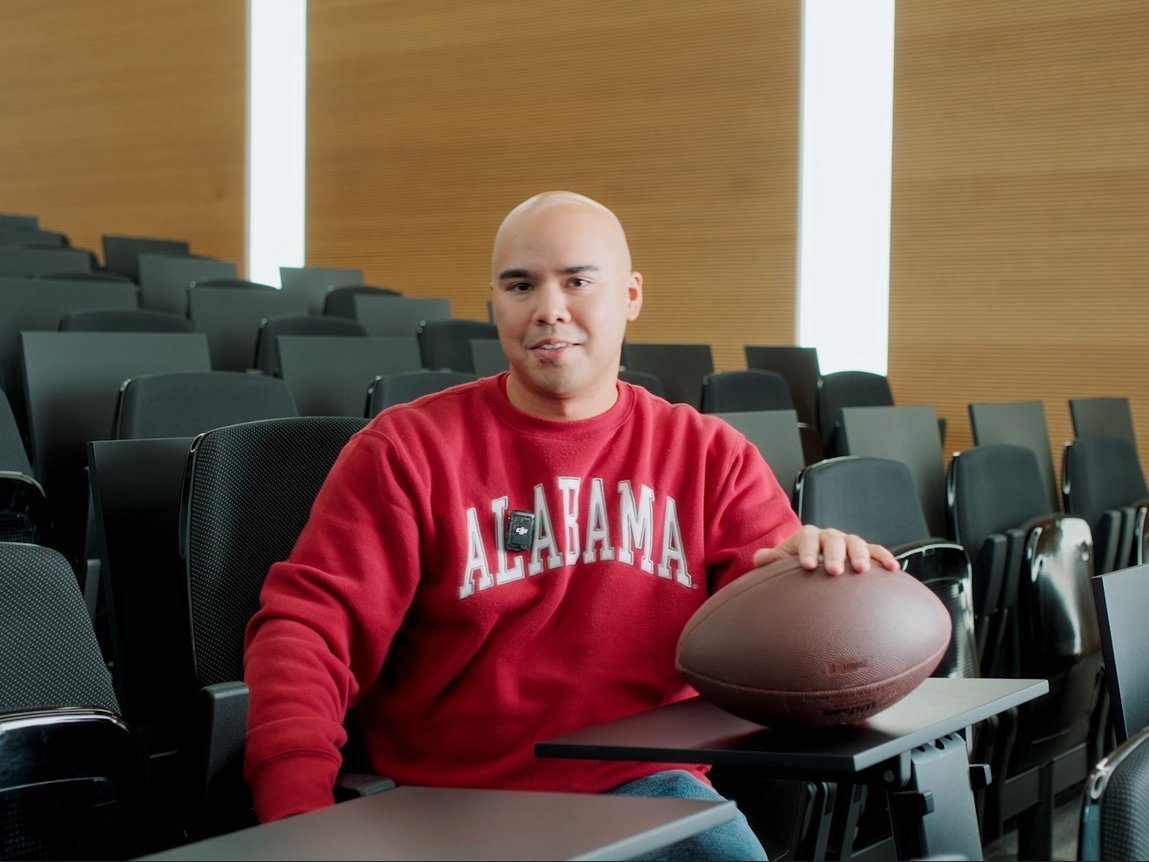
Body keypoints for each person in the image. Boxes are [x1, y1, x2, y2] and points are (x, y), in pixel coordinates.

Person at [242, 190, 898, 858]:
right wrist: (299, 823)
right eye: (520, 285)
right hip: (447, 805)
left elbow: (776, 631)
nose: (548, 308)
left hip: (645, 792)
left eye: (578, 281)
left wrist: (827, 589)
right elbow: (309, 634)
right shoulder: (406, 450)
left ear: (631, 295)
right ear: (495, 302)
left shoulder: (708, 456)